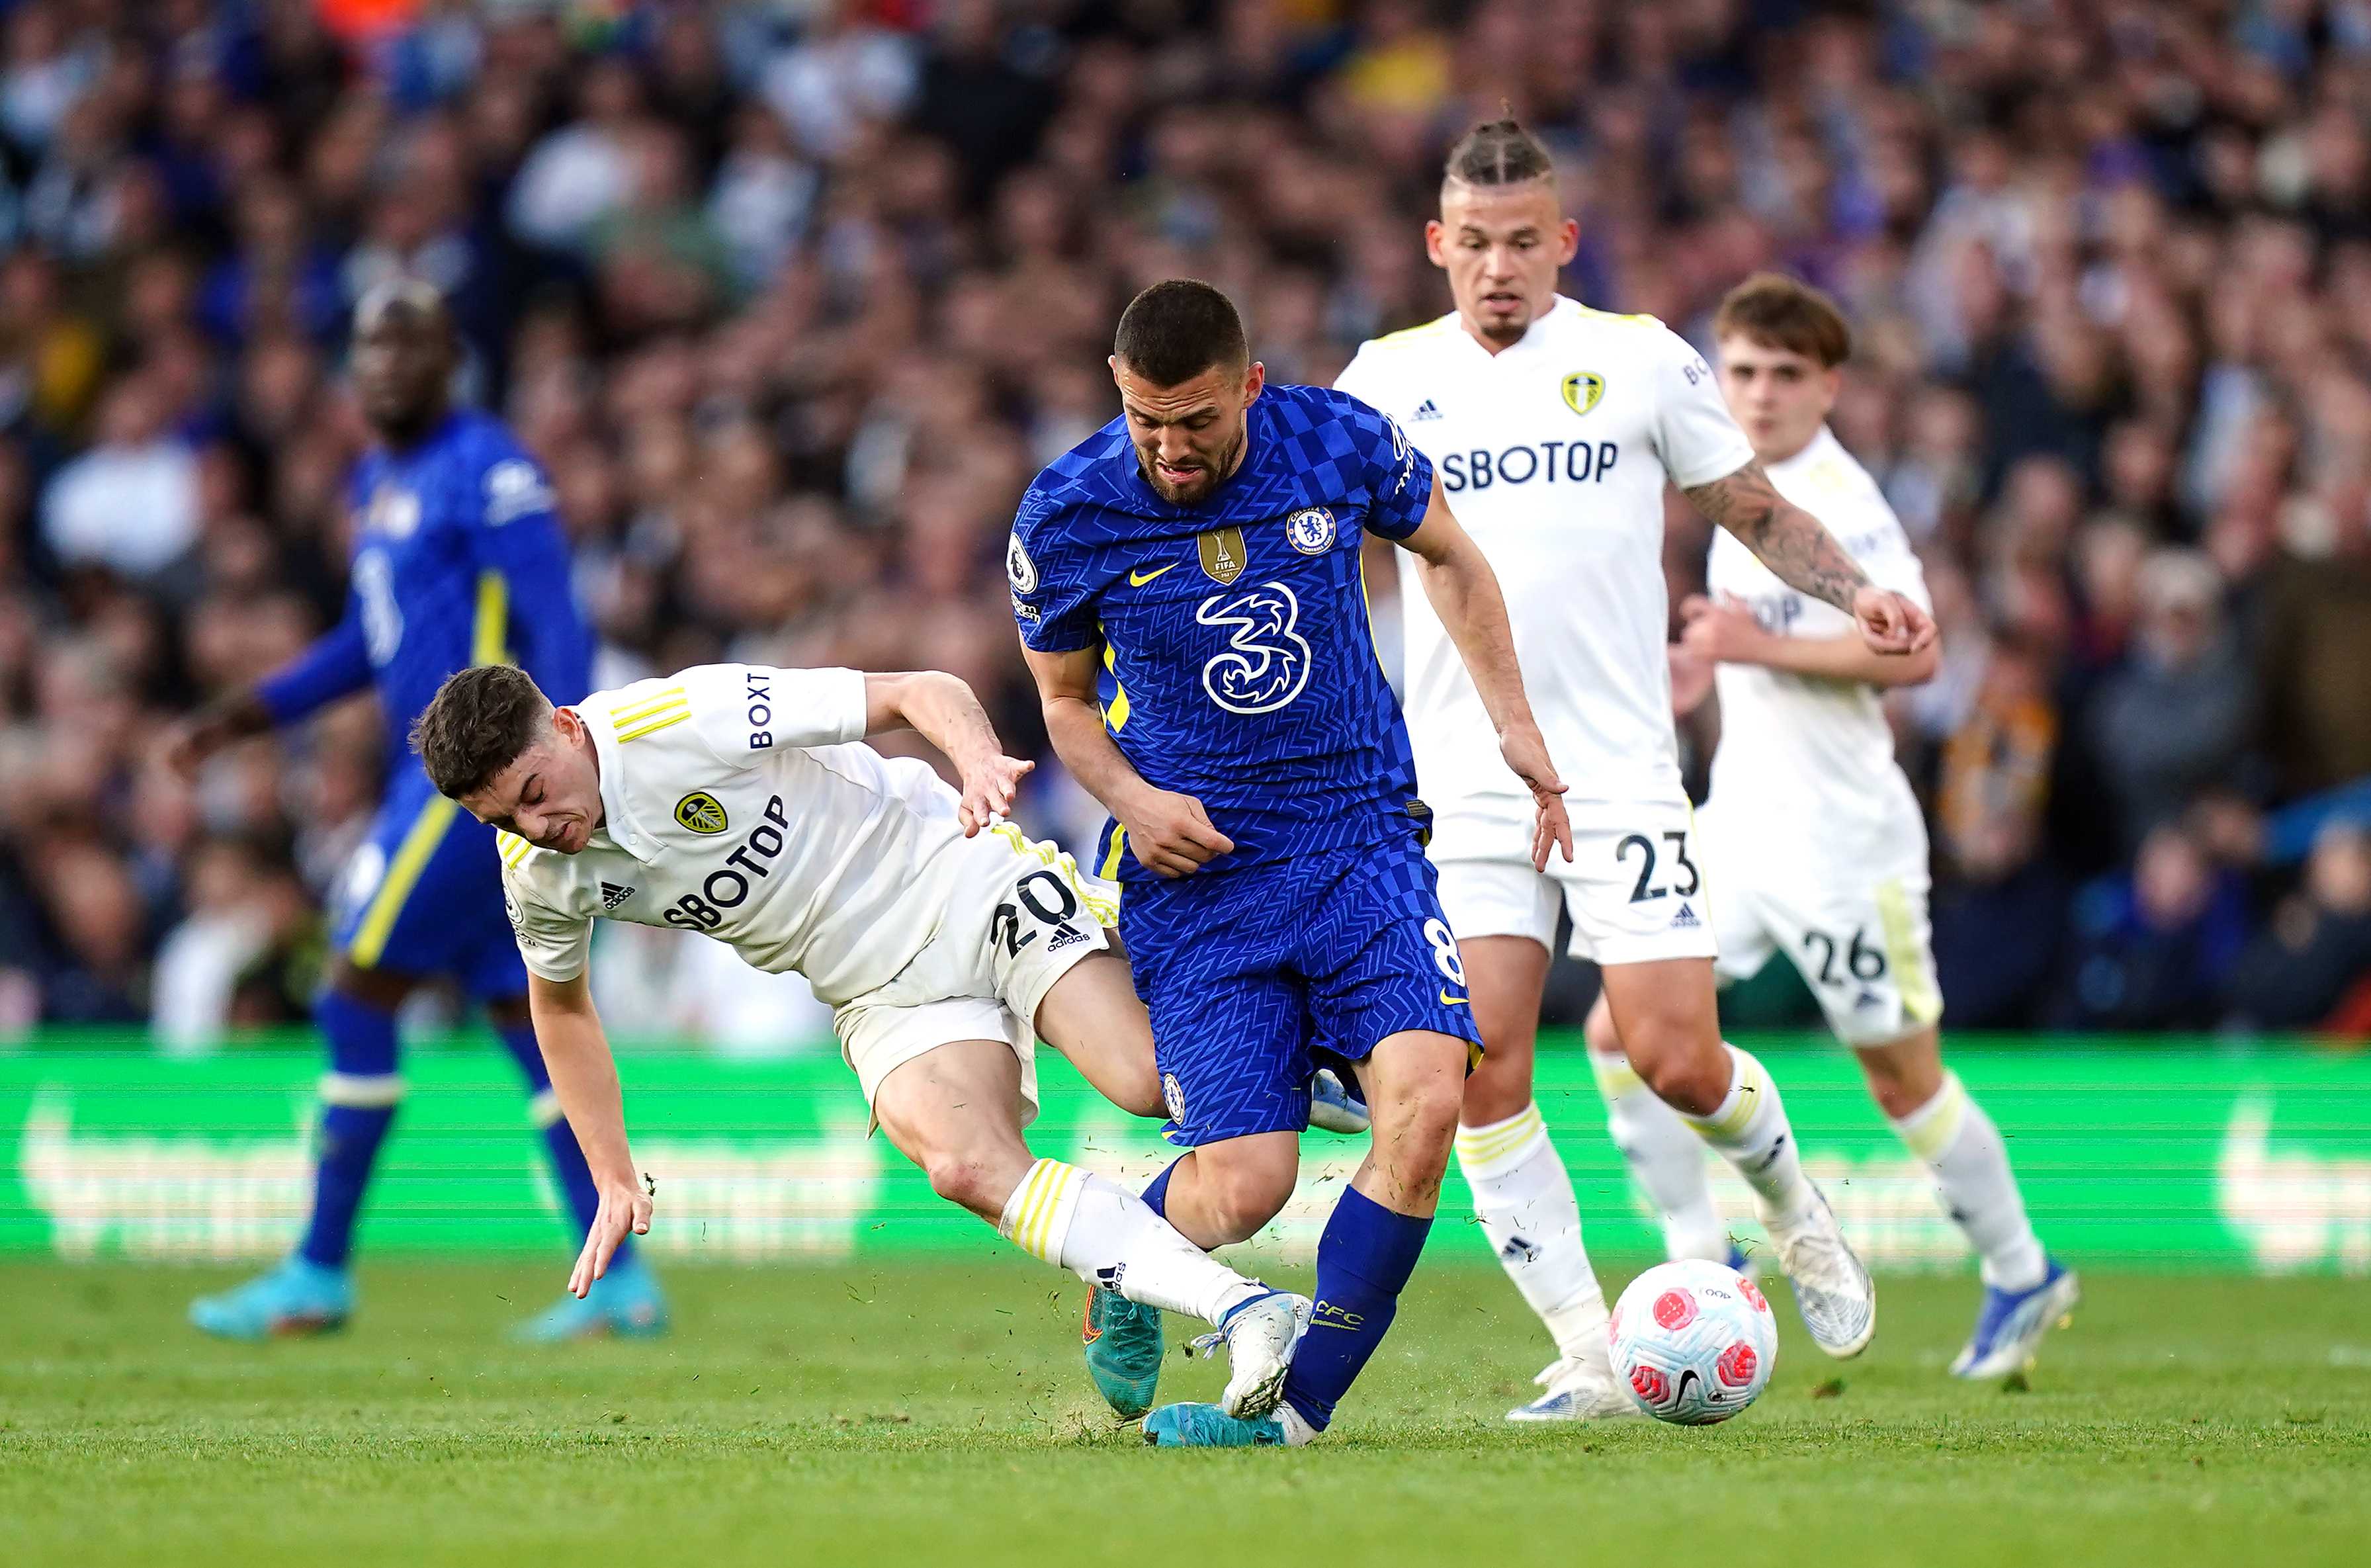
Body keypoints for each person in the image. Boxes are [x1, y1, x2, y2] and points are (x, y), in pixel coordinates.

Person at [1334, 122, 1927, 1422]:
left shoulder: (1638, 359)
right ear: (1438, 246)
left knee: (1672, 1058)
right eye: (1474, 244)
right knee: (1479, 1072)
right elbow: (1317, 560)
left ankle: (1791, 1205)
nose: (1499, 268)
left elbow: (1755, 509)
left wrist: (1861, 589)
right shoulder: (1380, 381)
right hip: (1465, 777)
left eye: (1523, 243)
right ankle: (1592, 1350)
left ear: (1564, 244)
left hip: (1613, 770)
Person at [413, 660, 1307, 1421]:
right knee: (964, 1166)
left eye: (534, 793)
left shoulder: (678, 719)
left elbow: (919, 689)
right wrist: (609, 1169)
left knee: (1146, 1080)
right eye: (505, 820)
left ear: (568, 728)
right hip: (875, 990)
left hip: (954, 872)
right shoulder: (539, 875)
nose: (537, 826)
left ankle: (1315, 1045)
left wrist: (979, 761)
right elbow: (560, 1007)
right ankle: (1233, 1304)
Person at [1013, 278, 1569, 1447]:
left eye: (1197, 419)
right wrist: (1130, 797)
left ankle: (1293, 1416)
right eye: (1144, 419)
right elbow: (1062, 706)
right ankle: (1126, 1265)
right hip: (1200, 878)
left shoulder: (1335, 439)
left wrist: (1511, 718)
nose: (1169, 447)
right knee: (1245, 1185)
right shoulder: (1064, 513)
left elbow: (1453, 556)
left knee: (1425, 1108)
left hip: (1361, 839)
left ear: (1250, 386)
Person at [167, 281, 654, 1342]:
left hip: (470, 782)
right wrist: (248, 712)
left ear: (448, 363)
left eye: (407, 350)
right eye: (370, 352)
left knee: (353, 991)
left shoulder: (494, 470)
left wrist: (577, 758)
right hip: (421, 779)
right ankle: (619, 1280)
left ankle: (317, 1269)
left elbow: (555, 620)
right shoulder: (378, 479)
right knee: (524, 1025)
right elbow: (365, 639)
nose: (384, 369)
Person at [1648, 271, 2076, 1378]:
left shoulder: (1843, 500)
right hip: (1740, 822)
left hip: (1846, 845)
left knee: (1904, 1079)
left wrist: (1757, 649)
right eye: (1741, 370)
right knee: (1629, 1034)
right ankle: (1702, 1259)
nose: (1761, 393)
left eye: (1787, 374)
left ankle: (2024, 1268)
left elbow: (1919, 651)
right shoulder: (1728, 489)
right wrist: (1708, 663)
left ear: (1829, 384)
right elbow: (1746, 639)